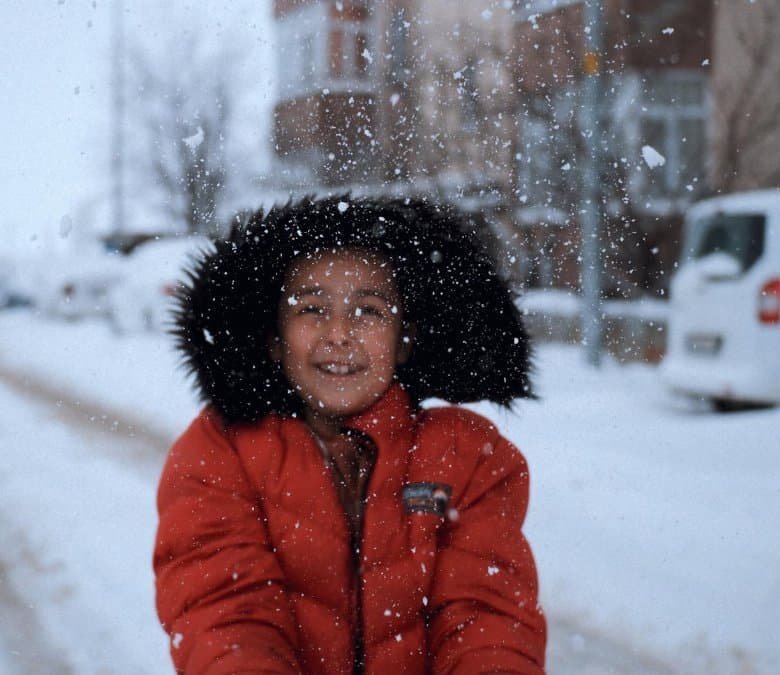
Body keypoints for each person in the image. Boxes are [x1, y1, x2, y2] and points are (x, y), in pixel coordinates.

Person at [154, 194, 547, 674]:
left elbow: (485, 613)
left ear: (405, 341)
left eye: (368, 311)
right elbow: (225, 607)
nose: (339, 333)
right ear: (274, 341)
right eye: (311, 309)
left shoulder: (467, 458)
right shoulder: (221, 451)